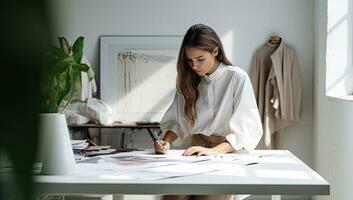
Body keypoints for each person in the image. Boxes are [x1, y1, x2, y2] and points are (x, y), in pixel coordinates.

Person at [154, 24, 263, 200]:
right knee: (173, 197)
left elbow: (247, 131)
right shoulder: (188, 81)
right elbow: (178, 121)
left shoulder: (237, 78)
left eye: (200, 59)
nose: (194, 66)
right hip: (194, 151)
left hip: (227, 153)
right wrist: (165, 142)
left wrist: (215, 151)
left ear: (215, 51)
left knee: (209, 197)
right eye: (189, 61)